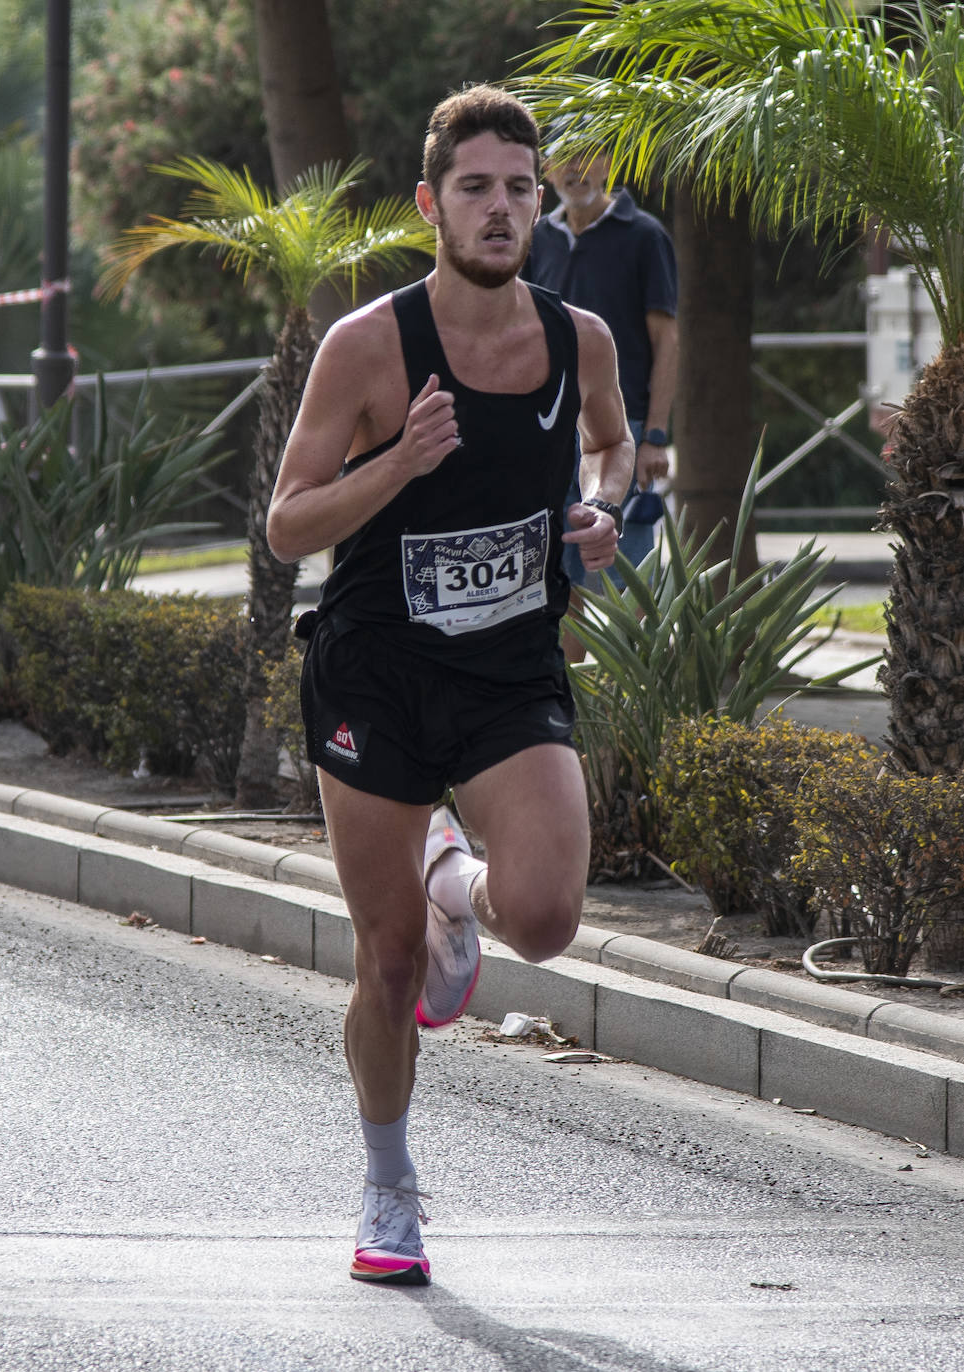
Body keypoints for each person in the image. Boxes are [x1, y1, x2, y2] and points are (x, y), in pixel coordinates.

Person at [266, 85, 666, 1288]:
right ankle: (388, 1185)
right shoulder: (368, 347)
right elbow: (287, 525)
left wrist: (596, 509)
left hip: (505, 671)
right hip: (375, 675)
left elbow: (609, 445)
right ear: (429, 204)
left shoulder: (576, 338)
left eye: (519, 189)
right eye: (475, 189)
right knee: (388, 962)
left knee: (541, 917)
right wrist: (399, 463)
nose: (500, 210)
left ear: (541, 208)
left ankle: (462, 877)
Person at [524, 145, 678, 649]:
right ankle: (574, 711)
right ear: (545, 170)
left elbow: (667, 342)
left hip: (623, 431)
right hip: (547, 433)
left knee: (626, 567)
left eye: (587, 157)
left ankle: (635, 700)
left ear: (609, 163)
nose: (575, 169)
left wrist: (655, 435)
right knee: (561, 568)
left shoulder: (645, 235)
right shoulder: (537, 238)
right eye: (563, 158)